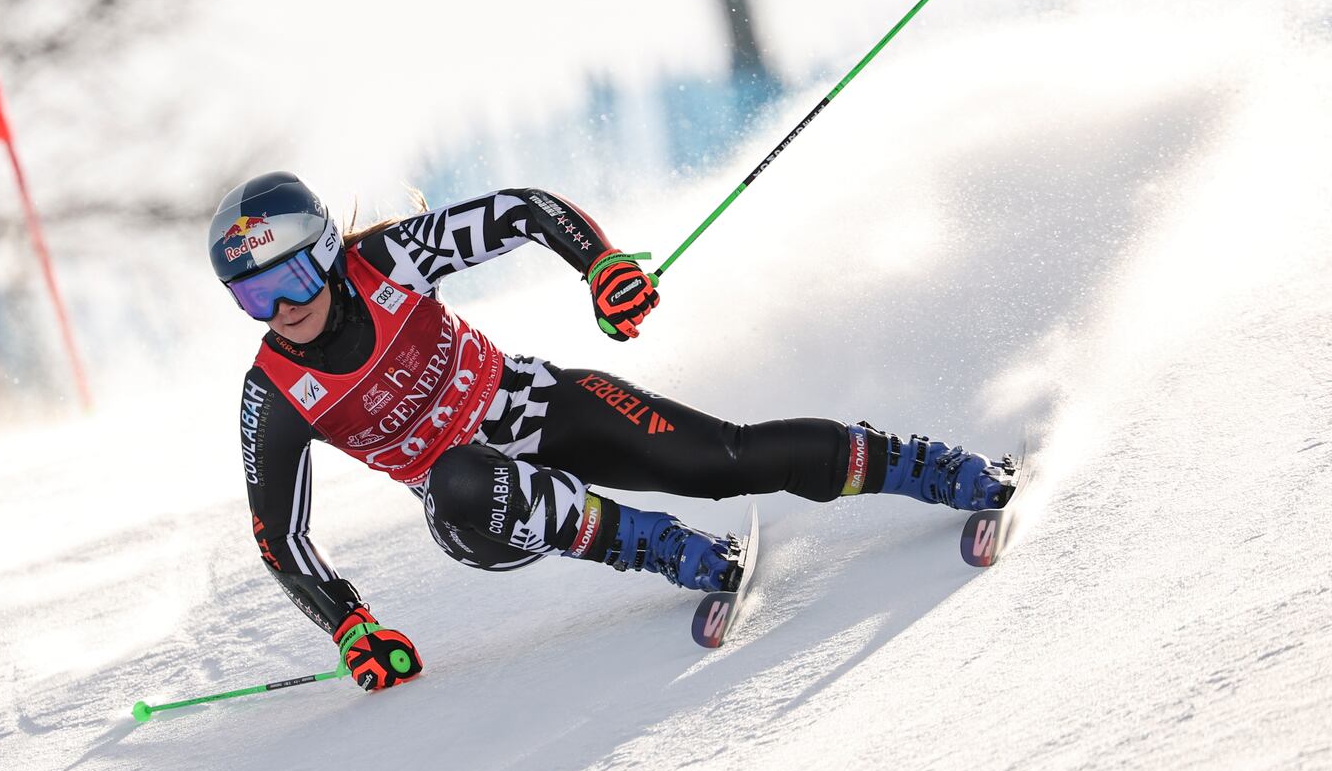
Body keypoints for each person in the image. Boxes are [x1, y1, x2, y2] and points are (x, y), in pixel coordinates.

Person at [212, 172, 1015, 693]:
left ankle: (926, 468)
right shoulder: (274, 394)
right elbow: (278, 535)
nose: (282, 309)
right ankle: (662, 547)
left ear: (323, 249)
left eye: (287, 278)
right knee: (461, 474)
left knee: (720, 459)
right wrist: (350, 622)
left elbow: (522, 211)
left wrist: (600, 267)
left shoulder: (383, 260)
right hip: (477, 510)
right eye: (253, 298)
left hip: (533, 402)